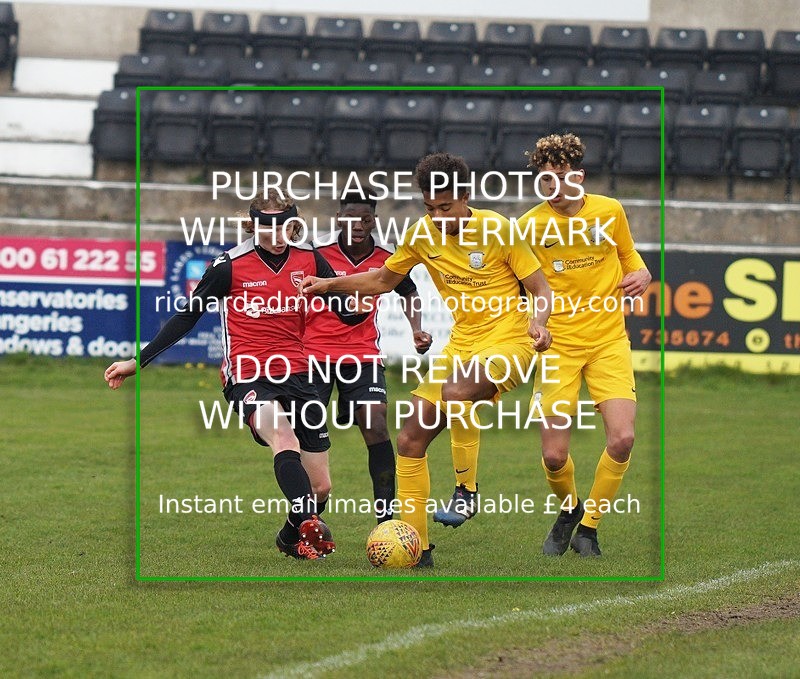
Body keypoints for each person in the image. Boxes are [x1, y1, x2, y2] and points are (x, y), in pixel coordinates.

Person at [300, 152, 553, 567]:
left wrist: (539, 323)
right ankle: (417, 550)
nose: (437, 216)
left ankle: (466, 490)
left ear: (466, 197)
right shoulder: (421, 234)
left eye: (446, 207)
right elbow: (384, 280)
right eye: (430, 207)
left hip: (512, 340)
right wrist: (328, 284)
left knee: (456, 391)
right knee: (409, 440)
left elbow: (540, 290)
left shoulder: (498, 229)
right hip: (463, 344)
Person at [104, 190, 366, 560]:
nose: (276, 237)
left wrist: (359, 300)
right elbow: (186, 317)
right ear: (252, 225)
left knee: (321, 485)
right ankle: (308, 521)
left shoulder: (309, 258)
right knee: (282, 436)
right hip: (249, 373)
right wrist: (137, 362)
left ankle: (291, 536)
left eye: (284, 227)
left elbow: (344, 309)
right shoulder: (228, 265)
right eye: (266, 228)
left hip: (300, 373)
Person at [519, 133, 652, 557]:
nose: (554, 189)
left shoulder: (609, 211)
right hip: (558, 347)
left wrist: (644, 273)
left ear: (579, 176)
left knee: (623, 439)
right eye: (546, 181)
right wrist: (534, 325)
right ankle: (568, 511)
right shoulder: (529, 227)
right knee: (555, 456)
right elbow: (523, 290)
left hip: (608, 341)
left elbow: (631, 258)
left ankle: (588, 528)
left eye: (561, 178)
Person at [305, 191, 432, 524]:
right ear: (338, 219)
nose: (357, 225)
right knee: (310, 434)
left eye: (365, 219)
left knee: (377, 427)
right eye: (350, 218)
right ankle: (307, 520)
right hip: (313, 356)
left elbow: (410, 292)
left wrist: (416, 329)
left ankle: (386, 521)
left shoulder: (386, 257)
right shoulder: (316, 252)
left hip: (362, 356)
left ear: (373, 221)